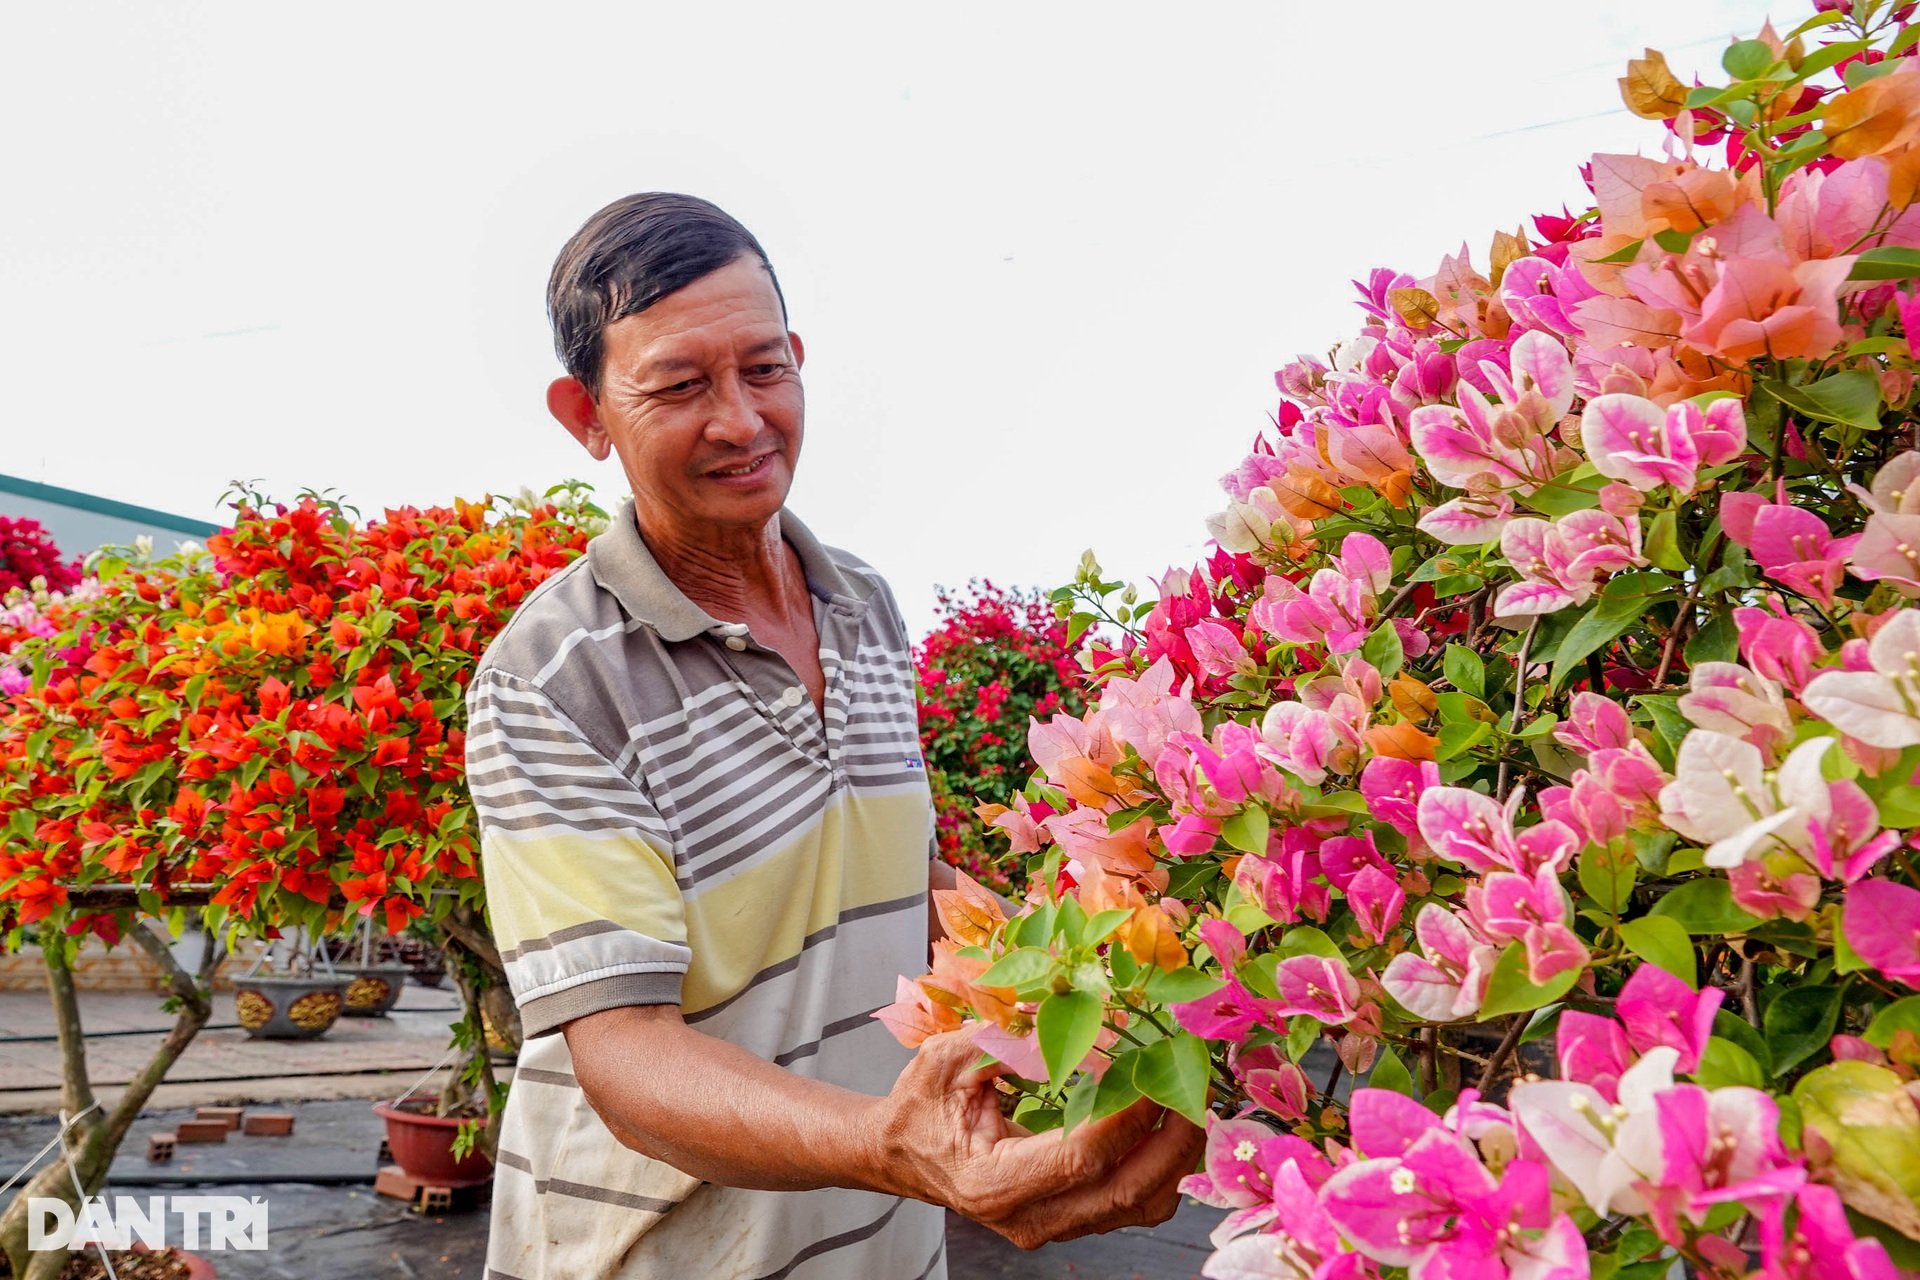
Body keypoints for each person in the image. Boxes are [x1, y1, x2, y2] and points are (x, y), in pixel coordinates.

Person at [468, 193, 1202, 1280]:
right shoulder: (552, 680)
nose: (740, 419)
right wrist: (889, 1145)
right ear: (585, 415)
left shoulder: (860, 603)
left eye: (764, 369)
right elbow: (624, 1051)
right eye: (679, 384)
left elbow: (898, 882)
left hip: (883, 1249)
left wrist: (1114, 994)